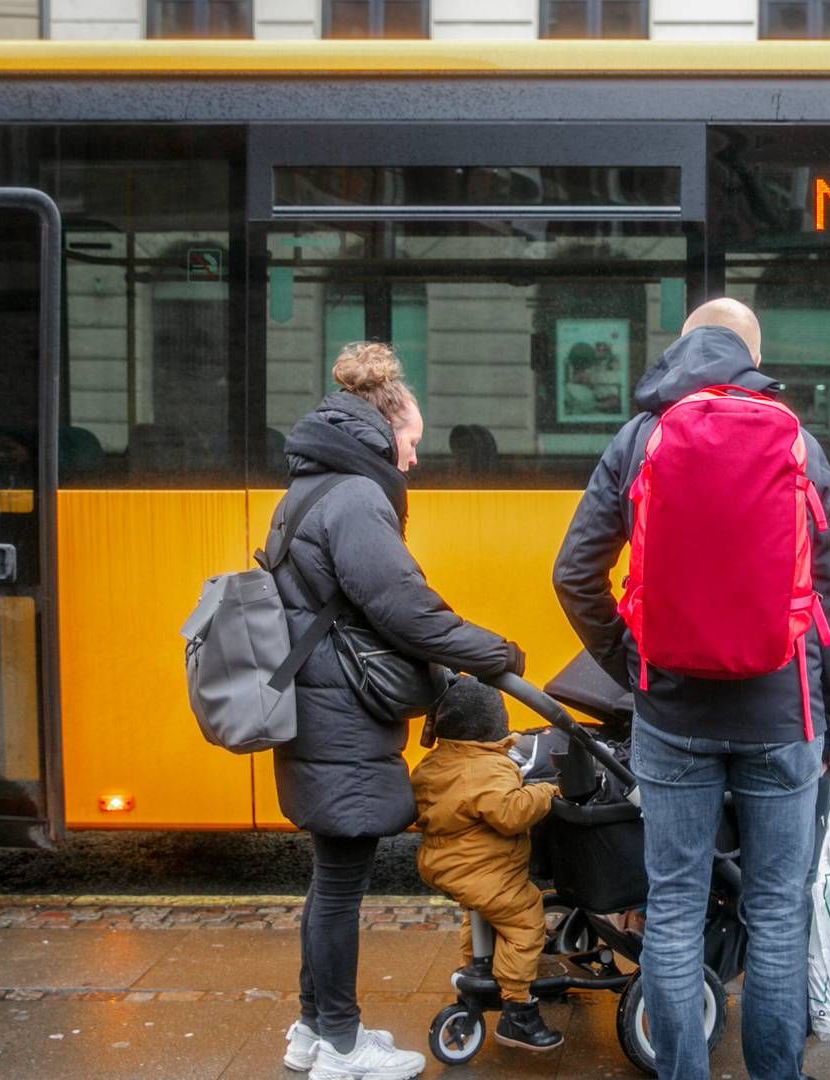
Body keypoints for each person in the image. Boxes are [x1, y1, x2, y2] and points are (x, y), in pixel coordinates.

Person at [552, 298, 830, 1080]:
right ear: (753, 355)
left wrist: (634, 665)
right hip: (783, 714)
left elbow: (573, 574)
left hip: (673, 715)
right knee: (777, 910)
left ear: (681, 350)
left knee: (676, 906)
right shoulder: (799, 443)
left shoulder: (640, 438)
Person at [271, 341, 525, 1080]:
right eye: (410, 442)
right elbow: (405, 610)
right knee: (341, 885)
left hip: (317, 707)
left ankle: (315, 1031)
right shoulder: (353, 498)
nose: (413, 459)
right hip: (338, 716)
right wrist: (494, 651)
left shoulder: (311, 490)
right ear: (382, 431)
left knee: (329, 880)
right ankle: (342, 1045)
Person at [411, 678, 563, 1052]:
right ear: (493, 725)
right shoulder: (489, 767)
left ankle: (478, 967)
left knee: (480, 912)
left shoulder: (436, 762)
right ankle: (517, 1009)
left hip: (445, 864)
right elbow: (512, 813)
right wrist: (545, 791)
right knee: (525, 917)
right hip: (482, 870)